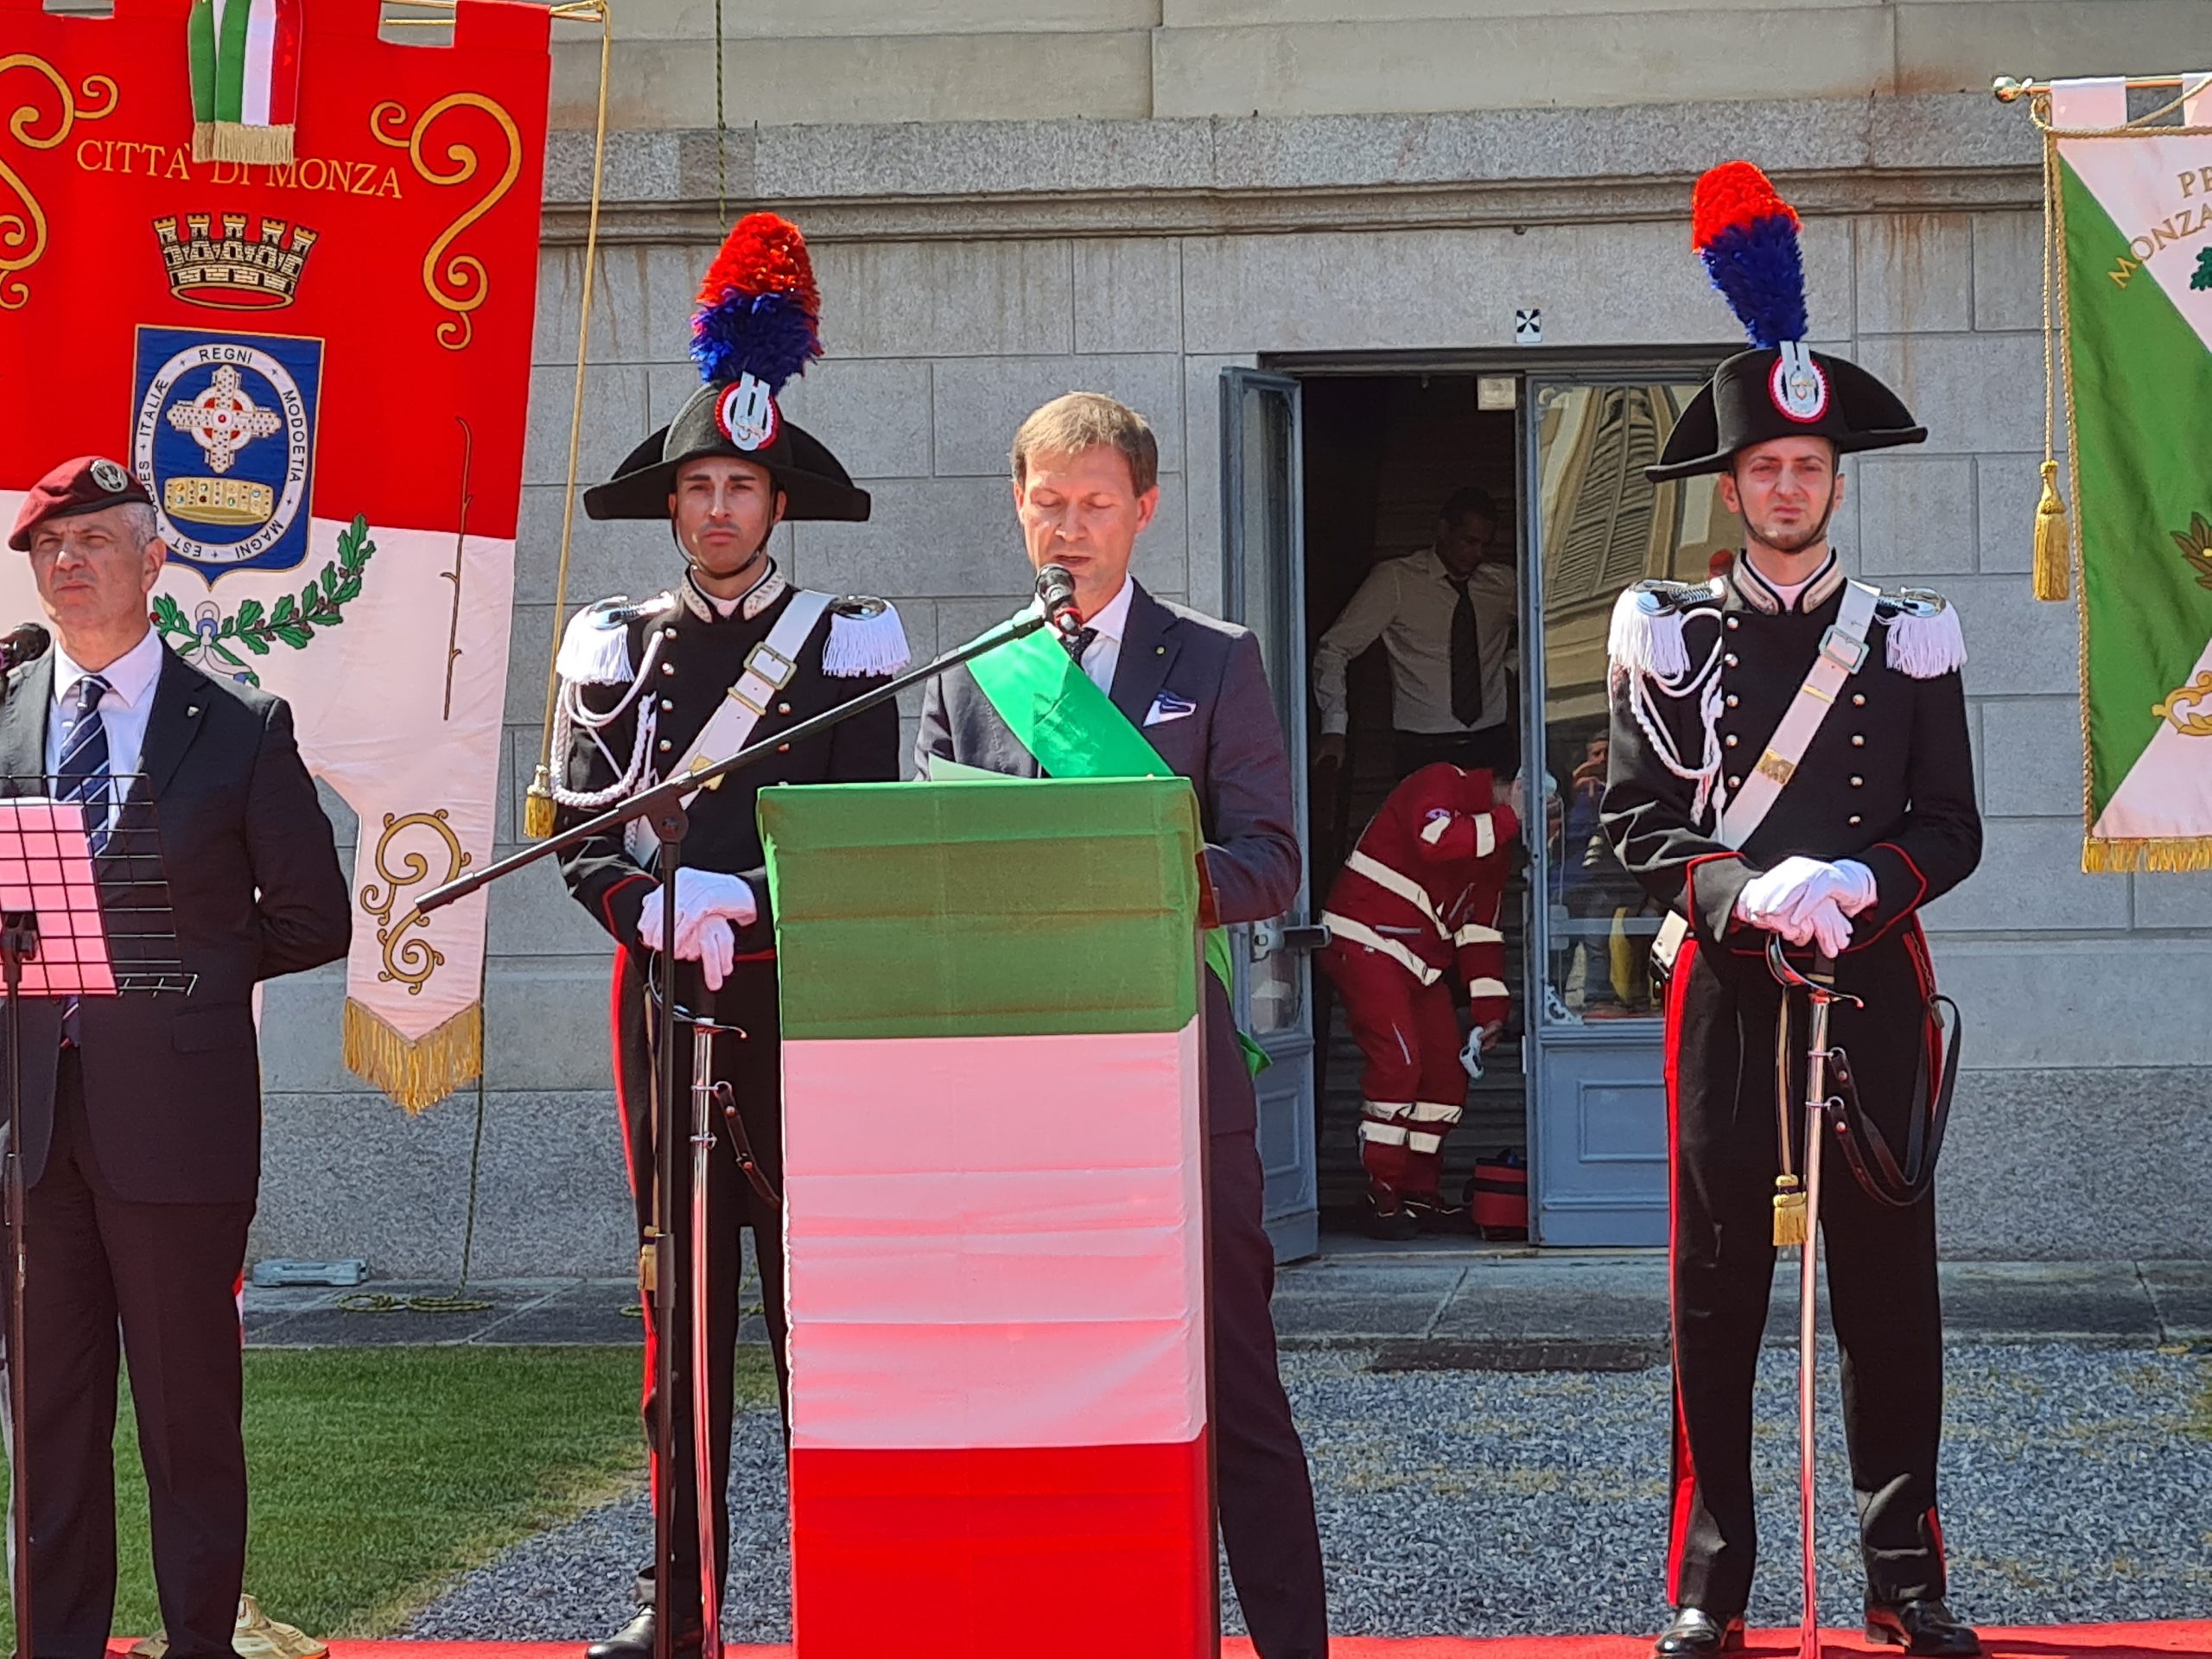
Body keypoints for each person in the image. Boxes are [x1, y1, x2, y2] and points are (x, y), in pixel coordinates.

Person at [1601, 162, 1981, 1659]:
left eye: (1809, 467)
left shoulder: (1911, 639)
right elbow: (1631, 826)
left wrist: (1863, 883)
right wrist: (1746, 884)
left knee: (1890, 1290)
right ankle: (1714, 1578)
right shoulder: (1666, 635)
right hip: (1731, 987)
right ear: (1733, 482)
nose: (1787, 487)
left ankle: (1905, 1576)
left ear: (1836, 479)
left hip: (1872, 980)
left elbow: (1949, 827)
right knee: (1715, 1290)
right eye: (1762, 466)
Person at [915, 391, 1329, 1659]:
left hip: (1168, 1059)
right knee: (1036, 1370)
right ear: (1017, 504)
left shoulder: (1214, 659)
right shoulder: (969, 676)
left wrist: (1132, 870)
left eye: (1098, 504)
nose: (1071, 528)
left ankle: (1288, 1642)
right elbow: (936, 869)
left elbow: (1271, 863)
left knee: (1230, 1365)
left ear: (1144, 510)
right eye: (1050, 502)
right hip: (1019, 1071)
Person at [551, 215, 907, 1659]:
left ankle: (848, 1593)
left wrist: (758, 892)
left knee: (821, 1312)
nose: (715, 510)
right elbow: (577, 830)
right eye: (696, 487)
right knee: (680, 1310)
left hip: (805, 1004)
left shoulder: (849, 638)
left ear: (777, 501)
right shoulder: (608, 644)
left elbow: (874, 830)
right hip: (665, 1005)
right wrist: (653, 903)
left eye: (738, 486)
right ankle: (681, 1599)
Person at [3, 456, 351, 1659]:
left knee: (187, 1416)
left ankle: (202, 1642)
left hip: (180, 1121)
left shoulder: (239, 727)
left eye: (95, 539)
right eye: (49, 545)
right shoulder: (1, 710)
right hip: (34, 1121)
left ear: (154, 560)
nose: (69, 561)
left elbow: (316, 918)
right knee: (49, 1417)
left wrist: (181, 962)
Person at [1316, 763, 1517, 1237]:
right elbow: (1436, 839)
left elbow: (1480, 933)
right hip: (1363, 937)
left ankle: (1418, 1192)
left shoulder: (1496, 845)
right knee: (1398, 1066)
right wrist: (1513, 817)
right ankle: (1381, 1193)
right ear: (1519, 784)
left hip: (1418, 961)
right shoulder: (1442, 781)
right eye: (1544, 808)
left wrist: (1491, 1013)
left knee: (1446, 1076)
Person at [1313, 486, 1516, 780]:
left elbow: (1542, 626)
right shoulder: (1396, 580)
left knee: (1496, 827)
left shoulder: (1502, 584)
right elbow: (1334, 649)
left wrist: (1510, 666)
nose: (1477, 554)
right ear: (1444, 530)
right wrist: (1333, 728)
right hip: (1424, 747)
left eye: (1485, 544)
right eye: (1469, 541)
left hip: (1491, 742)